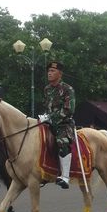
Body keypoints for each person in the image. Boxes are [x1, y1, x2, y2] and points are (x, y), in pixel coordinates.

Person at [39, 61, 76, 189]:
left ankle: (65, 177)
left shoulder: (67, 89)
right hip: (49, 123)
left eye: (53, 71)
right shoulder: (47, 89)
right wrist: (44, 117)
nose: (49, 73)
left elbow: (69, 109)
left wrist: (51, 118)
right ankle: (43, 172)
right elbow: (47, 107)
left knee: (62, 141)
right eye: (48, 71)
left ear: (60, 74)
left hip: (63, 124)